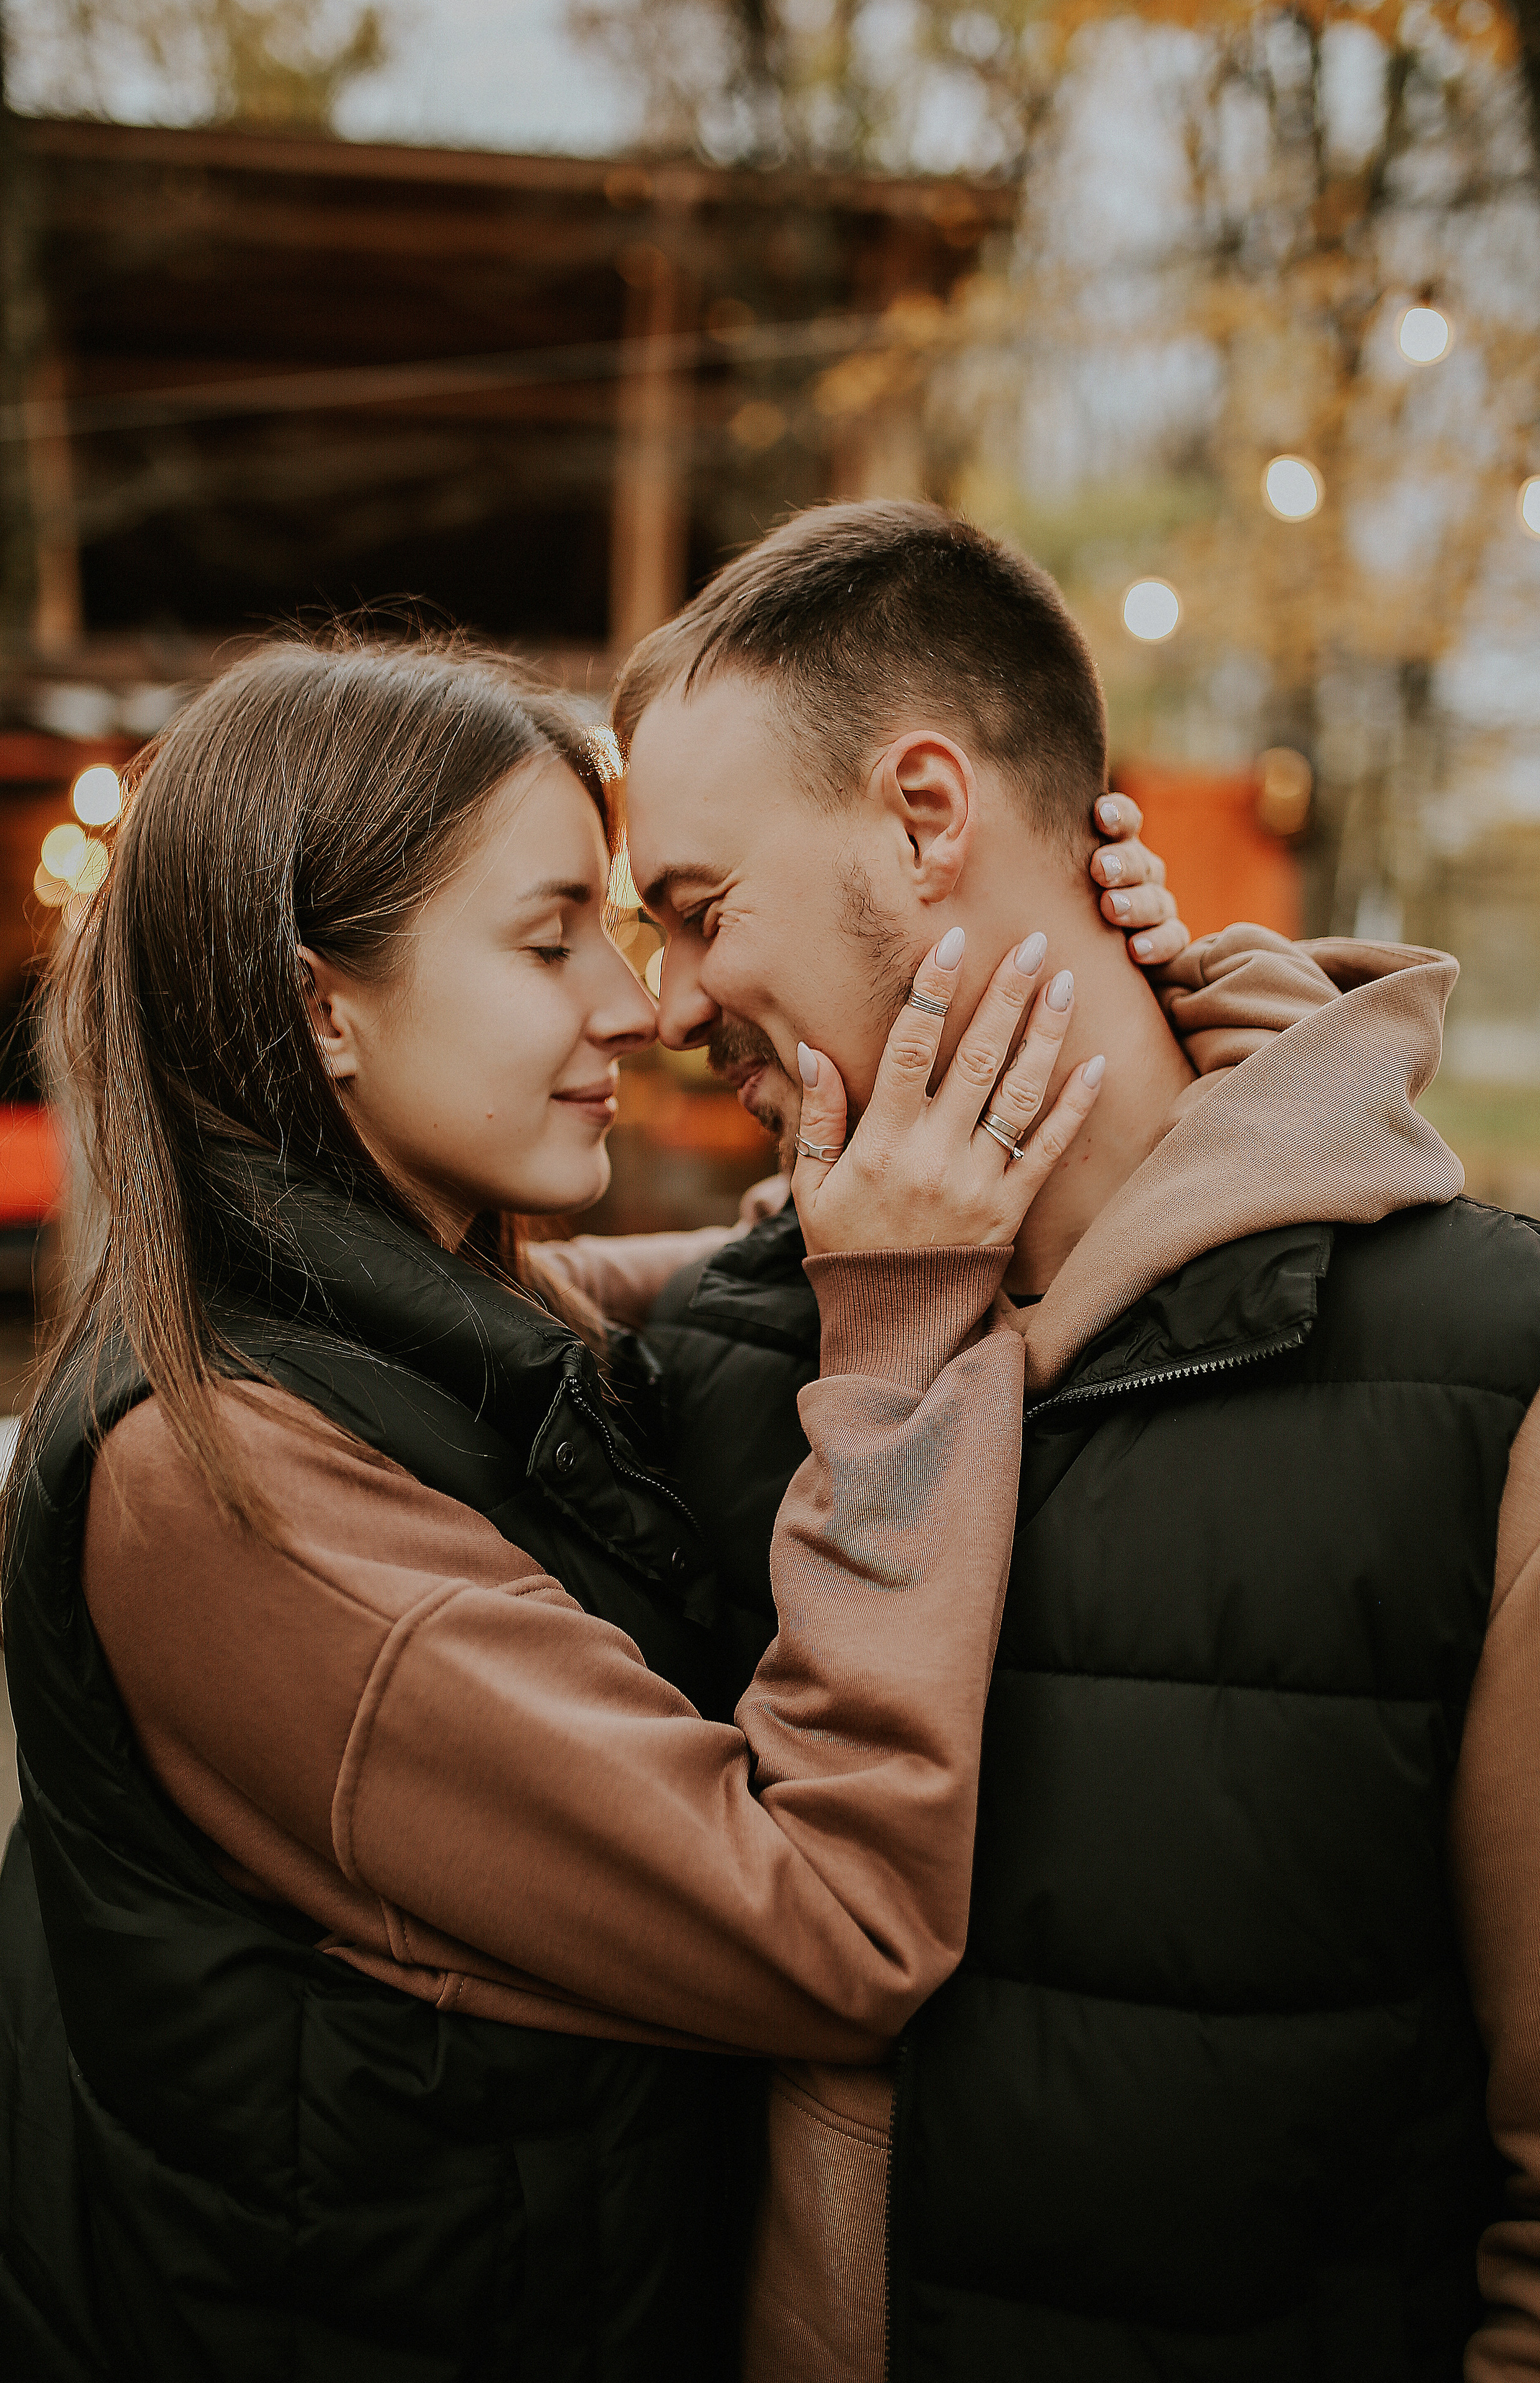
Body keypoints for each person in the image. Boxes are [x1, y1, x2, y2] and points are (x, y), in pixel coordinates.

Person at [0, 630, 1143, 2383]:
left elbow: (774, 1261)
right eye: (552, 943)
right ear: (324, 1005)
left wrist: (1144, 1005)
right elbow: (829, 1923)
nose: (635, 1005)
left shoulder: (420, 1317)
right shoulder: (220, 1481)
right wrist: (902, 1345)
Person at [618, 500, 1540, 2383]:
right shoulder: (735, 1352)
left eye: (696, 909)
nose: (664, 1007)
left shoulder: (1516, 1382)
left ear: (924, 818)